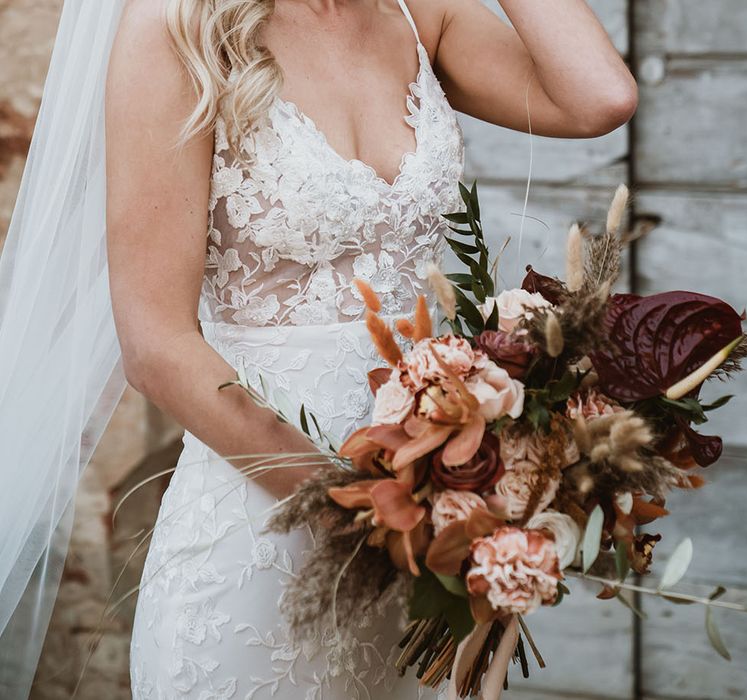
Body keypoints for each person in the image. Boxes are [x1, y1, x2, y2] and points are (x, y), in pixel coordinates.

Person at [0, 0, 636, 697]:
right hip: (267, 544)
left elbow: (599, 98)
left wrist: (442, 516)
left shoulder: (418, 9)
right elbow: (157, 346)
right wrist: (368, 518)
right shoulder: (176, 27)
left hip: (433, 527)